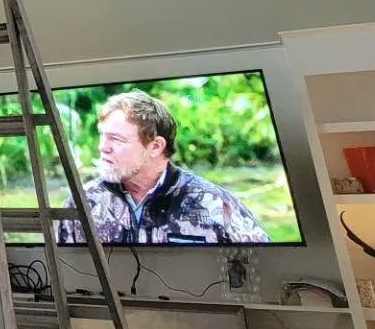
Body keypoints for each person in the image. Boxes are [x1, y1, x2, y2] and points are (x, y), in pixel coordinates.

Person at [58, 91, 269, 245]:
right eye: (102, 135)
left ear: (156, 146)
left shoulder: (213, 203)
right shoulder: (83, 203)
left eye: (116, 139)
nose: (102, 147)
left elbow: (267, 266)